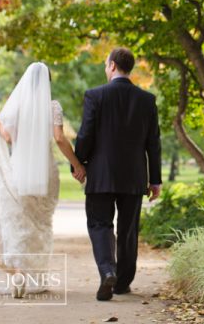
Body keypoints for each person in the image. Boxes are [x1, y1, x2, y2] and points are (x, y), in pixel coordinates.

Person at [0, 62, 86, 298]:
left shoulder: (17, 106)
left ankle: (19, 272)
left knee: (21, 221)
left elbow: (9, 137)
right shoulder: (53, 106)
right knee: (41, 222)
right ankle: (35, 275)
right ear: (47, 83)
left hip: (20, 169)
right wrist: (77, 164)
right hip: (46, 172)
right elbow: (60, 138)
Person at [75, 47, 162, 301]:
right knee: (128, 230)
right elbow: (153, 143)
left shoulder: (95, 95)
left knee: (100, 224)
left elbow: (85, 135)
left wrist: (78, 164)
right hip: (134, 177)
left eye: (105, 65)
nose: (105, 69)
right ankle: (122, 283)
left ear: (112, 65)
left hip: (101, 174)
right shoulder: (147, 100)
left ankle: (107, 271)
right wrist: (154, 179)